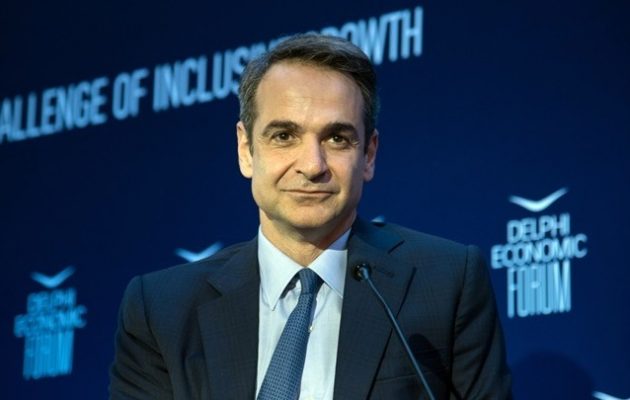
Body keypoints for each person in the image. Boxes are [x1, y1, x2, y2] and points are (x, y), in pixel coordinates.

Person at [109, 33, 512, 399]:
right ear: (246, 150)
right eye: (284, 136)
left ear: (369, 155)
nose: (312, 165)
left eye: (337, 138)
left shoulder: (445, 283)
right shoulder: (162, 310)